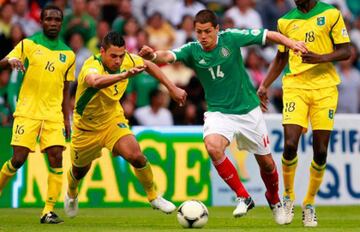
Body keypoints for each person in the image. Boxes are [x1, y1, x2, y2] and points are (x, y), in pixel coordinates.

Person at [139, 9, 307, 224]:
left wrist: (291, 43)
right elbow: (168, 55)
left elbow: (268, 35)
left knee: (266, 163)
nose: (203, 37)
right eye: (199, 32)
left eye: (207, 31)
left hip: (248, 110)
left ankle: (274, 200)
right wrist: (153, 55)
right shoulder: (192, 50)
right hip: (219, 112)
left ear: (217, 29)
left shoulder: (232, 38)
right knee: (212, 147)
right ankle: (243, 196)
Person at [64, 31, 187, 218]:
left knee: (136, 156)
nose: (118, 61)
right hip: (86, 129)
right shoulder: (92, 65)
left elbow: (148, 64)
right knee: (79, 170)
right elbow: (95, 81)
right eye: (113, 56)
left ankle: (154, 197)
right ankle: (72, 193)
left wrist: (172, 88)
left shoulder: (127, 61)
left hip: (112, 121)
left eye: (121, 56)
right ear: (102, 51)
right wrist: (123, 76)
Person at [257, 0, 351, 227]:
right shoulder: (285, 21)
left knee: (320, 150)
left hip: (325, 88)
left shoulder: (331, 14)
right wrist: (265, 85)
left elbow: (346, 51)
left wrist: (321, 58)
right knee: (290, 144)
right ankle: (288, 197)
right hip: (295, 87)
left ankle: (309, 203)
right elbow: (281, 57)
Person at [0, 5, 75, 224]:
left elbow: (66, 90)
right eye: (49, 19)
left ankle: (48, 211)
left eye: (57, 20)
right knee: (18, 159)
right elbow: (2, 64)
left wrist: (67, 118)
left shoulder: (68, 54)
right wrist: (8, 61)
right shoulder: (27, 44)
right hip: (28, 112)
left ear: (61, 23)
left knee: (56, 158)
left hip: (53, 115)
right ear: (41, 21)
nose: (53, 23)